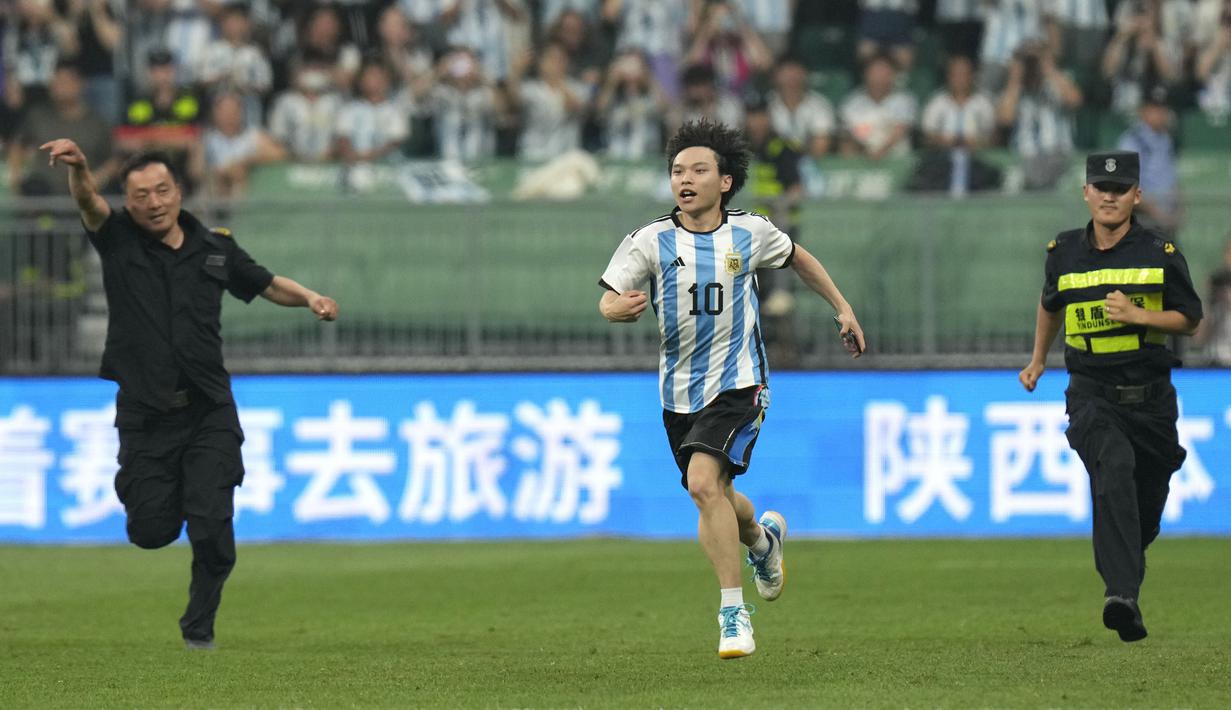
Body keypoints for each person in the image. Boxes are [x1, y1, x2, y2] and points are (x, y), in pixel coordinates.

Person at [40, 139, 340, 650]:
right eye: (140, 195)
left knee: (212, 529)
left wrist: (310, 297)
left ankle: (199, 626)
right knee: (151, 531)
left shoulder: (216, 249)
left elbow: (267, 285)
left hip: (208, 409)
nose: (153, 202)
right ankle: (166, 485)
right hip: (146, 414)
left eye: (161, 190)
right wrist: (83, 168)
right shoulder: (117, 240)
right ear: (128, 202)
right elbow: (89, 201)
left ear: (179, 191)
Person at [597, 120, 865, 659]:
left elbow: (799, 259)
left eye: (698, 170)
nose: (685, 179)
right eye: (677, 171)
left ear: (725, 181)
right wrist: (616, 308)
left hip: (740, 382)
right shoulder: (649, 240)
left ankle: (732, 614)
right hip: (678, 394)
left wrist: (842, 307)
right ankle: (763, 542)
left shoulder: (751, 231)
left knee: (702, 483)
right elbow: (608, 296)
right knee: (714, 495)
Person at [1019, 150, 1202, 643]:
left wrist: (1140, 316)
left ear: (1136, 196)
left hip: (1152, 402)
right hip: (1091, 396)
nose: (1109, 195)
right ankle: (1122, 597)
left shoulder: (1160, 253)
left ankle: (1127, 561)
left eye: (1120, 189)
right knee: (1113, 465)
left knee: (1145, 507)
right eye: (1100, 187)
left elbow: (1190, 318)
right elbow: (1050, 303)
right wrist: (1038, 359)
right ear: (1085, 193)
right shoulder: (1064, 252)